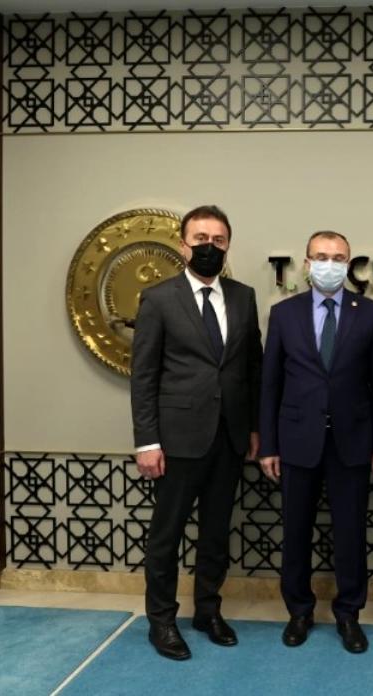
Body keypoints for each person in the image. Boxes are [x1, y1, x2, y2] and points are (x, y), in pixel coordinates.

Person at [130, 205, 262, 661]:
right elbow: (144, 376)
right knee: (166, 536)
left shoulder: (243, 297)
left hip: (229, 437)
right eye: (201, 239)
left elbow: (252, 367)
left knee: (216, 534)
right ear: (183, 245)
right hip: (176, 440)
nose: (210, 247)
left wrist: (254, 427)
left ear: (228, 246)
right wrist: (147, 441)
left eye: (218, 240)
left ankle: (208, 611)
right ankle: (162, 621)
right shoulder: (158, 299)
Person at [258, 231, 373, 654]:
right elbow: (270, 385)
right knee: (295, 531)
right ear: (306, 263)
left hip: (352, 441)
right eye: (321, 256)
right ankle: (299, 612)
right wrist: (268, 445)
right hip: (297, 441)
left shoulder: (370, 313)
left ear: (349, 264)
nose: (329, 264)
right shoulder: (284, 314)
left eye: (337, 257)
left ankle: (349, 614)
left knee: (350, 533)